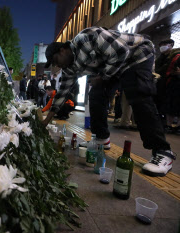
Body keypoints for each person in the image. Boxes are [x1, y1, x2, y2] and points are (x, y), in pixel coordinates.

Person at [42, 26, 176, 177]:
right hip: (113, 67)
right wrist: (45, 121)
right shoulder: (69, 69)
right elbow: (61, 94)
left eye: (55, 61)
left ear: (62, 51)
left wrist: (102, 77)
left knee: (138, 95)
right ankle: (102, 138)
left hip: (136, 56)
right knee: (95, 96)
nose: (57, 66)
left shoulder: (87, 37)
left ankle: (163, 151)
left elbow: (122, 52)